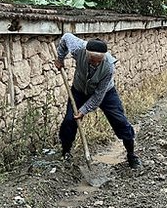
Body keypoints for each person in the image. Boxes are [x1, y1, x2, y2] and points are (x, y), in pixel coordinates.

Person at [54, 33, 141, 169]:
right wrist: (60, 58)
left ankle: (131, 155)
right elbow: (65, 37)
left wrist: (83, 110)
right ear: (86, 53)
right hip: (79, 90)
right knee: (69, 121)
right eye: (92, 60)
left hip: (105, 93)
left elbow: (98, 96)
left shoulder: (109, 67)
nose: (94, 64)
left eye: (98, 61)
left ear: (103, 57)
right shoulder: (78, 48)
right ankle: (66, 152)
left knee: (120, 121)